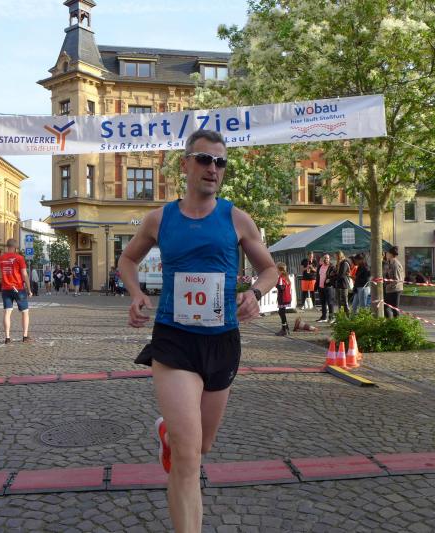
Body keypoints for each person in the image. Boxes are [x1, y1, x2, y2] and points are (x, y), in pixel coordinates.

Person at [118, 129, 277, 533]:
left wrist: (255, 293)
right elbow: (127, 260)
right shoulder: (160, 219)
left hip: (222, 341)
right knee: (188, 459)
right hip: (175, 340)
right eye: (204, 159)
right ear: (185, 164)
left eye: (220, 162)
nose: (212, 168)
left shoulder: (236, 218)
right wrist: (136, 293)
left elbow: (269, 269)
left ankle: (167, 435)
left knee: (202, 444)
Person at [0, 238, 32, 343]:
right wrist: (29, 289)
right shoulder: (19, 258)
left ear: (7, 246)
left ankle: (7, 337)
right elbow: (24, 274)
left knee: (7, 312)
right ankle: (25, 336)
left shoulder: (0, 258)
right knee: (25, 312)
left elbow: (3, 270)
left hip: (5, 288)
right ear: (16, 247)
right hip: (18, 288)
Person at [383, 246, 404, 318]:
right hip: (390, 289)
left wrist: (387, 285)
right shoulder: (390, 263)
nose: (386, 254)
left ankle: (396, 322)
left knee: (395, 309)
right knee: (385, 307)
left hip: (395, 289)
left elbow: (397, 279)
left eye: (387, 253)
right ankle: (390, 322)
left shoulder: (396, 264)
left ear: (390, 254)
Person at [275, 262, 292, 336]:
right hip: (286, 297)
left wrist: (276, 284)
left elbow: (282, 287)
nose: (276, 271)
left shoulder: (281, 278)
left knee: (281, 313)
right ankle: (286, 328)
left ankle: (284, 329)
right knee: (281, 312)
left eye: (276, 269)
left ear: (280, 270)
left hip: (282, 297)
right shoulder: (286, 277)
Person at [316, 254, 335, 323]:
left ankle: (331, 317)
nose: (326, 259)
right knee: (323, 303)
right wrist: (317, 285)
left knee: (330, 302)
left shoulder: (332, 267)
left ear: (329, 259)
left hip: (328, 287)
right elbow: (318, 276)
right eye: (325, 258)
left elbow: (335, 276)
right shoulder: (320, 266)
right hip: (320, 287)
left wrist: (330, 280)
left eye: (327, 258)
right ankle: (324, 317)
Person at [334, 251, 352, 315]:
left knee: (344, 301)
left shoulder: (344, 263)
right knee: (339, 301)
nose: (335, 257)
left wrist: (334, 277)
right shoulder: (338, 263)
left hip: (344, 284)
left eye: (336, 256)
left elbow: (341, 274)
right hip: (338, 284)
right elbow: (336, 272)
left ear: (339, 256)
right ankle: (341, 315)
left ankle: (347, 315)